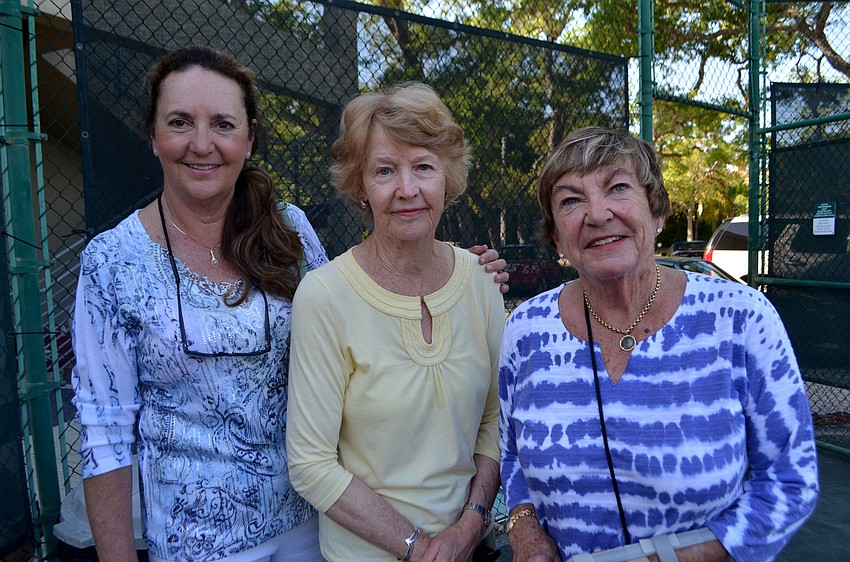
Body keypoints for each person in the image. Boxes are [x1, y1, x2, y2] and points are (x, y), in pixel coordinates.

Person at [71, 47, 507, 562]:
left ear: (249, 138)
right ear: (152, 134)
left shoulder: (290, 231)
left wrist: (468, 279)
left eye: (224, 124)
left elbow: (366, 313)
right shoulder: (112, 263)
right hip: (201, 543)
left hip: (311, 527)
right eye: (180, 122)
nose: (202, 144)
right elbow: (105, 434)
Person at [498, 126, 819, 562]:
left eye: (618, 188)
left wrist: (671, 558)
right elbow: (513, 457)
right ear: (556, 236)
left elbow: (790, 479)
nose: (597, 213)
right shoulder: (526, 328)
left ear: (658, 211)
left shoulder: (741, 318)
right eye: (571, 200)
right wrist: (525, 532)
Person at [285, 83, 504, 562]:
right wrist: (421, 548)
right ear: (361, 186)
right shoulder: (325, 296)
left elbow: (494, 419)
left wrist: (470, 525)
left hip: (470, 546)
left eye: (423, 166)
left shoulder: (481, 282)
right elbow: (310, 464)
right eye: (385, 170)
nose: (407, 189)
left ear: (447, 176)